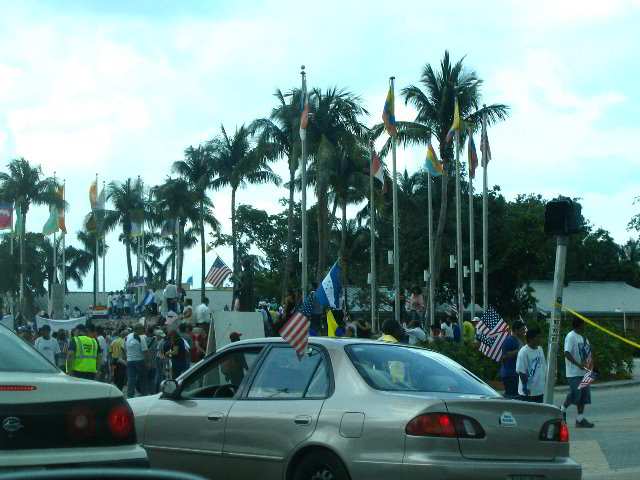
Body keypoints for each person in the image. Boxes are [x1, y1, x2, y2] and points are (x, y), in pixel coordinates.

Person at [560, 318, 595, 428]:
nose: (584, 327)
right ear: (579, 325)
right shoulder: (571, 336)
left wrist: (590, 349)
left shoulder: (581, 337)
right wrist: (577, 364)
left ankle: (580, 419)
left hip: (584, 371)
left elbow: (585, 352)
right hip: (573, 372)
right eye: (583, 325)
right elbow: (566, 353)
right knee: (575, 394)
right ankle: (561, 410)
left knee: (584, 396)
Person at [516, 328, 546, 403]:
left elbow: (543, 366)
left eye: (540, 337)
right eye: (537, 337)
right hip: (528, 392)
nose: (540, 339)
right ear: (530, 338)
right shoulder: (523, 352)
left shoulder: (540, 349)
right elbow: (521, 371)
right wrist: (525, 386)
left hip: (539, 390)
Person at [499, 319, 526, 398]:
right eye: (522, 329)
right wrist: (521, 351)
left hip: (515, 374)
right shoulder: (510, 340)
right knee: (512, 397)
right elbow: (504, 356)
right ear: (516, 330)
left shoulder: (518, 341)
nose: (524, 331)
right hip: (509, 374)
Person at [123, 323, 148, 398]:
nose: (143, 330)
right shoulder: (141, 338)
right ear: (137, 329)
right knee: (143, 378)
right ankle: (144, 395)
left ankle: (130, 396)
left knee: (131, 379)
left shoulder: (127, 336)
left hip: (130, 360)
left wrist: (126, 358)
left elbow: (124, 348)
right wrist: (147, 362)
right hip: (139, 360)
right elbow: (145, 351)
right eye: (141, 328)